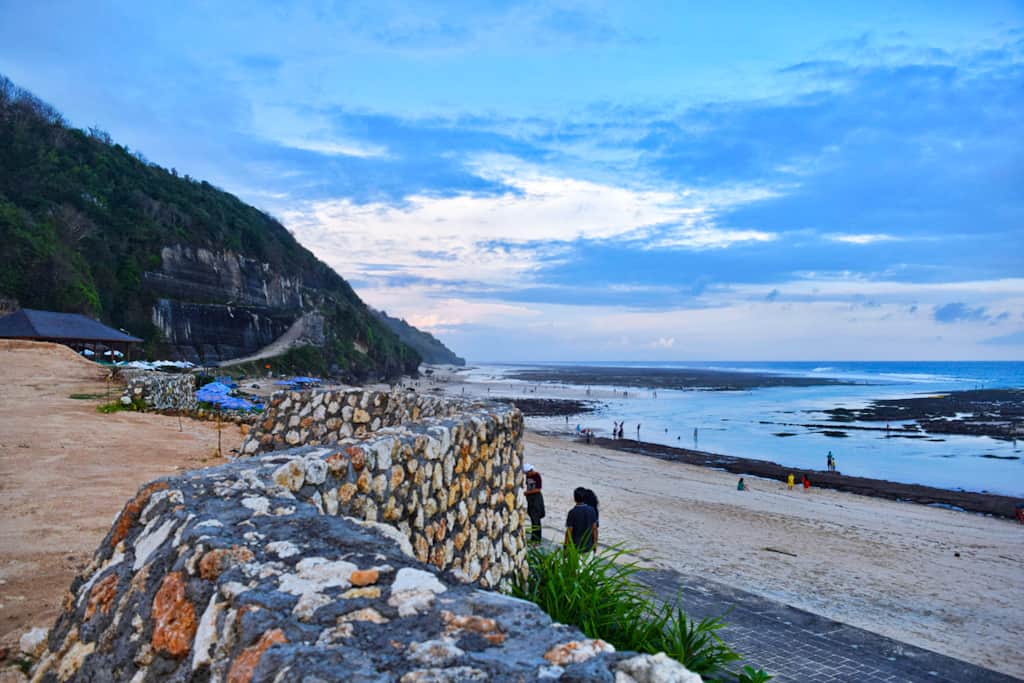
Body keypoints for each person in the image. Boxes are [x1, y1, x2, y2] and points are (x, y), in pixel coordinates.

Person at [565, 487, 599, 552]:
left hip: (575, 547)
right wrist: (595, 544)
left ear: (574, 499)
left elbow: (569, 531)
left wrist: (565, 547)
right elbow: (595, 529)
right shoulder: (592, 510)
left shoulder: (572, 512)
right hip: (588, 547)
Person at [524, 463, 545, 543]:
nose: (527, 474)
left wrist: (527, 493)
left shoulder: (537, 476)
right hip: (530, 499)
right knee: (533, 518)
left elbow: (538, 489)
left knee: (536, 520)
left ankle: (537, 539)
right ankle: (534, 538)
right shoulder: (528, 476)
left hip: (536, 499)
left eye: (527, 473)